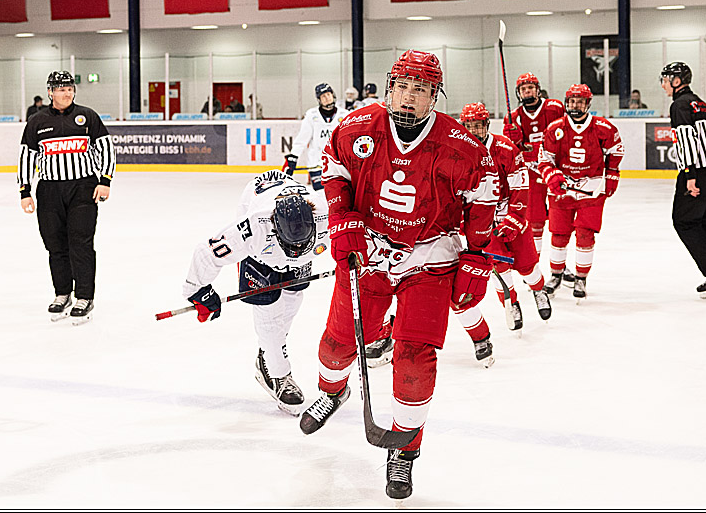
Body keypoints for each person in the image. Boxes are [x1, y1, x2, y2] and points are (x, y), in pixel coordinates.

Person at [299, 49, 498, 499]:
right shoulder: (356, 128)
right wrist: (342, 218)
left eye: (422, 90)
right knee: (338, 343)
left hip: (428, 260)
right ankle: (333, 391)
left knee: (412, 359)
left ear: (435, 97)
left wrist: (477, 257)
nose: (410, 98)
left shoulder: (461, 146)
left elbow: (483, 199)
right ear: (390, 88)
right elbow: (334, 170)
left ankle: (403, 450)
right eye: (404, 87)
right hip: (368, 251)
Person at [181, 169, 329, 414]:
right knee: (269, 313)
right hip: (260, 237)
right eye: (292, 245)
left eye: (304, 243)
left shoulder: (326, 213)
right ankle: (278, 374)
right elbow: (207, 253)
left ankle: (268, 353)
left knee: (292, 299)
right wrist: (198, 291)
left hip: (284, 196)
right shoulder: (252, 228)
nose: (298, 250)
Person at [18, 71, 116, 325]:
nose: (67, 93)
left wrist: (105, 180)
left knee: (81, 243)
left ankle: (84, 296)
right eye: (61, 89)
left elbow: (105, 146)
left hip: (83, 188)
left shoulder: (87, 116)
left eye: (70, 88)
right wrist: (25, 191)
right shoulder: (37, 121)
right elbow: (27, 156)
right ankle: (62, 293)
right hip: (49, 191)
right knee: (55, 245)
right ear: (50, 92)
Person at [460, 102, 550, 327]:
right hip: (483, 224)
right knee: (498, 268)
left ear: (487, 124)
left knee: (527, 266)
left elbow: (520, 185)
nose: (473, 131)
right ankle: (511, 304)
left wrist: (515, 217)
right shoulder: (458, 153)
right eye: (469, 126)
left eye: (478, 126)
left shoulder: (506, 148)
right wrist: (463, 222)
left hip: (511, 217)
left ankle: (538, 290)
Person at [537, 84, 624, 300]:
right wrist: (551, 176)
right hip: (562, 189)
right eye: (572, 101)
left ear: (588, 104)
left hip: (591, 189)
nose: (575, 105)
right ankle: (556, 275)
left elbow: (615, 151)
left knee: (585, 235)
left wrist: (612, 174)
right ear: (566, 103)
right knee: (558, 235)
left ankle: (581, 278)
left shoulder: (604, 128)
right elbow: (544, 159)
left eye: (580, 101)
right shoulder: (554, 128)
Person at [660, 62, 706, 298]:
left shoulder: (679, 105)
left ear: (677, 81)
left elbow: (686, 140)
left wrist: (690, 175)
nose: (663, 84)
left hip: (698, 171)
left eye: (665, 79)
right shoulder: (699, 103)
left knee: (684, 222)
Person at [503, 73, 565, 256]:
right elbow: (513, 151)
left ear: (537, 89)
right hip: (531, 171)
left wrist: (535, 147)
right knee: (535, 219)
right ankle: (534, 260)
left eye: (530, 87)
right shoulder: (513, 117)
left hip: (555, 167)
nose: (527, 91)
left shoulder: (554, 108)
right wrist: (513, 140)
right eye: (523, 89)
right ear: (518, 93)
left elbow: (563, 134)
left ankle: (559, 262)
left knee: (559, 219)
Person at [284, 83, 348, 191]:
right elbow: (303, 138)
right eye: (323, 96)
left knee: (338, 195)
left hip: (338, 164)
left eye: (328, 94)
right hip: (316, 163)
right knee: (321, 196)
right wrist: (294, 156)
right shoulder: (312, 115)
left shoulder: (344, 115)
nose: (327, 98)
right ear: (319, 99)